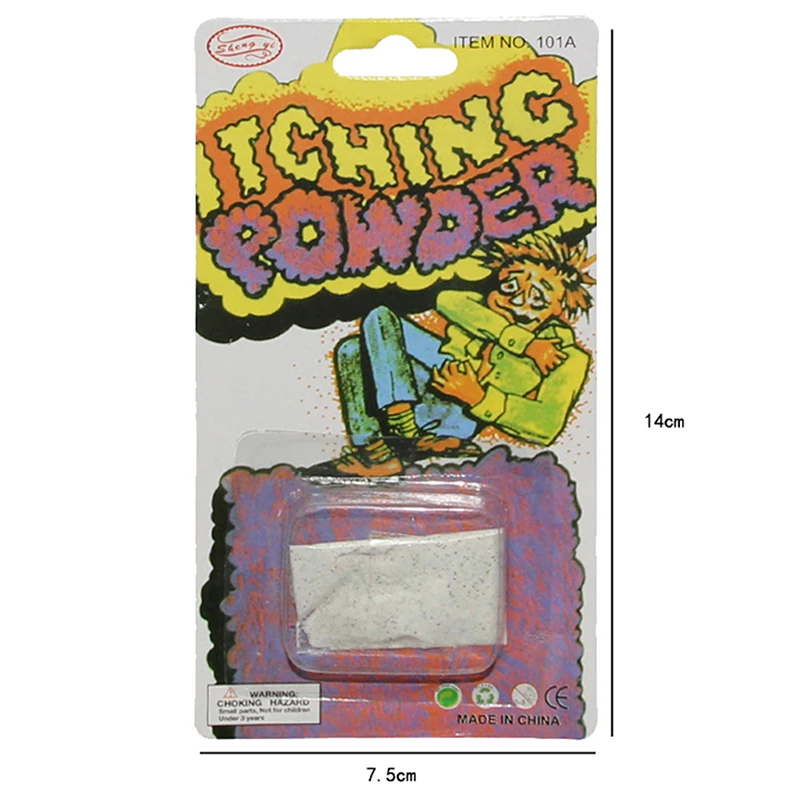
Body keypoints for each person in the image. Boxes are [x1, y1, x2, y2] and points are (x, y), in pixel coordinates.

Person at [307, 232, 594, 477]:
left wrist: (478, 397)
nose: (517, 301)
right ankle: (380, 444)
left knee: (368, 336)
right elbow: (447, 300)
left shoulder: (569, 356)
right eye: (510, 286)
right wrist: (523, 342)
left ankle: (399, 439)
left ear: (560, 307)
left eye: (537, 297)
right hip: (431, 383)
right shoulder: (479, 311)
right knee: (359, 340)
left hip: (459, 415)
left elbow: (545, 427)